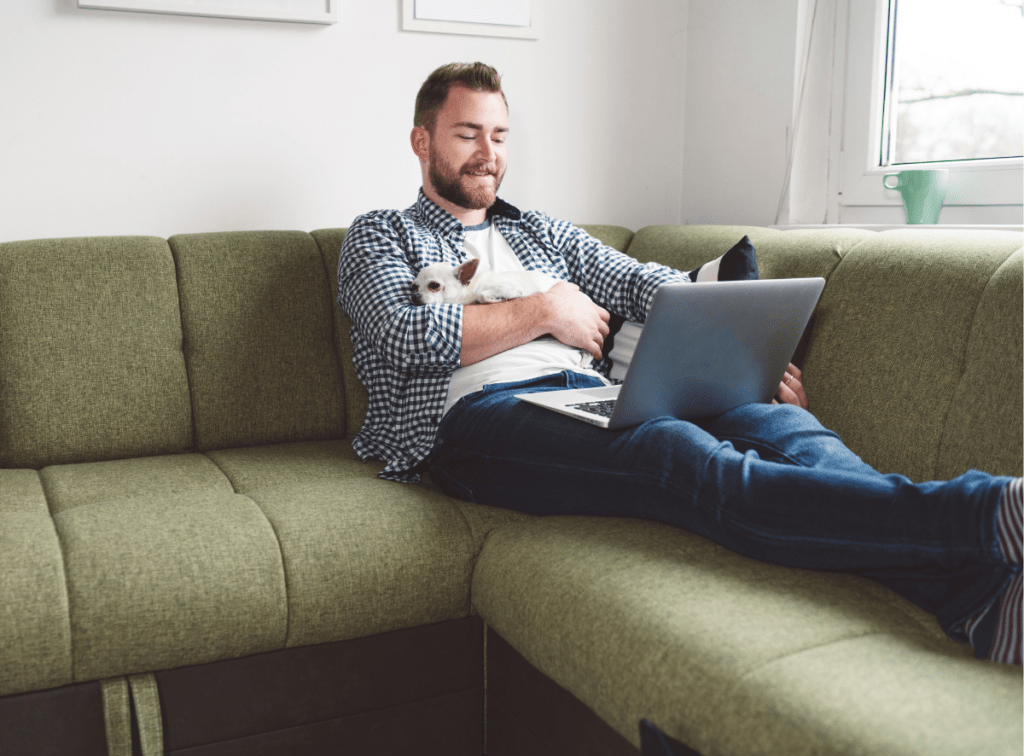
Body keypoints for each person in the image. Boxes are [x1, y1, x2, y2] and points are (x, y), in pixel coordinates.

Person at [337, 62, 1022, 665]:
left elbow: (645, 283)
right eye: (467, 134)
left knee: (782, 426)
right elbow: (402, 335)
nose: (488, 153)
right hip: (475, 425)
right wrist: (547, 310)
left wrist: (742, 345)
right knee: (675, 453)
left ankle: (976, 598)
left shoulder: (538, 231)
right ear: (423, 141)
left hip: (589, 396)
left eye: (500, 135)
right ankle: (982, 510)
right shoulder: (381, 234)